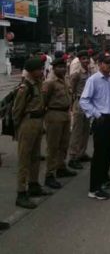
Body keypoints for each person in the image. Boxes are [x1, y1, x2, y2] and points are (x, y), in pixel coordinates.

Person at [12, 58, 51, 209]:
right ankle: (21, 193)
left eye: (42, 69)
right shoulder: (25, 87)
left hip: (38, 121)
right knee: (24, 159)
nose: (41, 71)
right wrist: (19, 128)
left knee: (35, 157)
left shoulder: (39, 84)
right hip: (27, 123)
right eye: (38, 69)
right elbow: (17, 111)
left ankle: (33, 185)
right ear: (31, 71)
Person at [80, 54, 110, 200]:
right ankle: (94, 188)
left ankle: (104, 179)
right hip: (101, 120)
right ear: (100, 64)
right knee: (99, 155)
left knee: (108, 152)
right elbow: (84, 101)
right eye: (107, 63)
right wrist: (97, 115)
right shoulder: (94, 80)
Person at [43, 58, 76, 189]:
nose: (63, 69)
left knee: (64, 143)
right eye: (59, 67)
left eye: (64, 67)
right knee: (53, 146)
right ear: (54, 68)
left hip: (65, 114)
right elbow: (44, 101)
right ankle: (49, 175)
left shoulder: (65, 79)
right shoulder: (50, 82)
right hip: (54, 115)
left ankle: (61, 167)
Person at [68, 50, 92, 170]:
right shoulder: (76, 73)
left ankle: (82, 153)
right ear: (79, 60)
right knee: (77, 131)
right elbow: (71, 89)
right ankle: (73, 157)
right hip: (79, 102)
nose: (86, 60)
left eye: (87, 58)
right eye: (83, 58)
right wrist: (72, 105)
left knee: (86, 130)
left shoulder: (89, 72)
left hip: (88, 103)